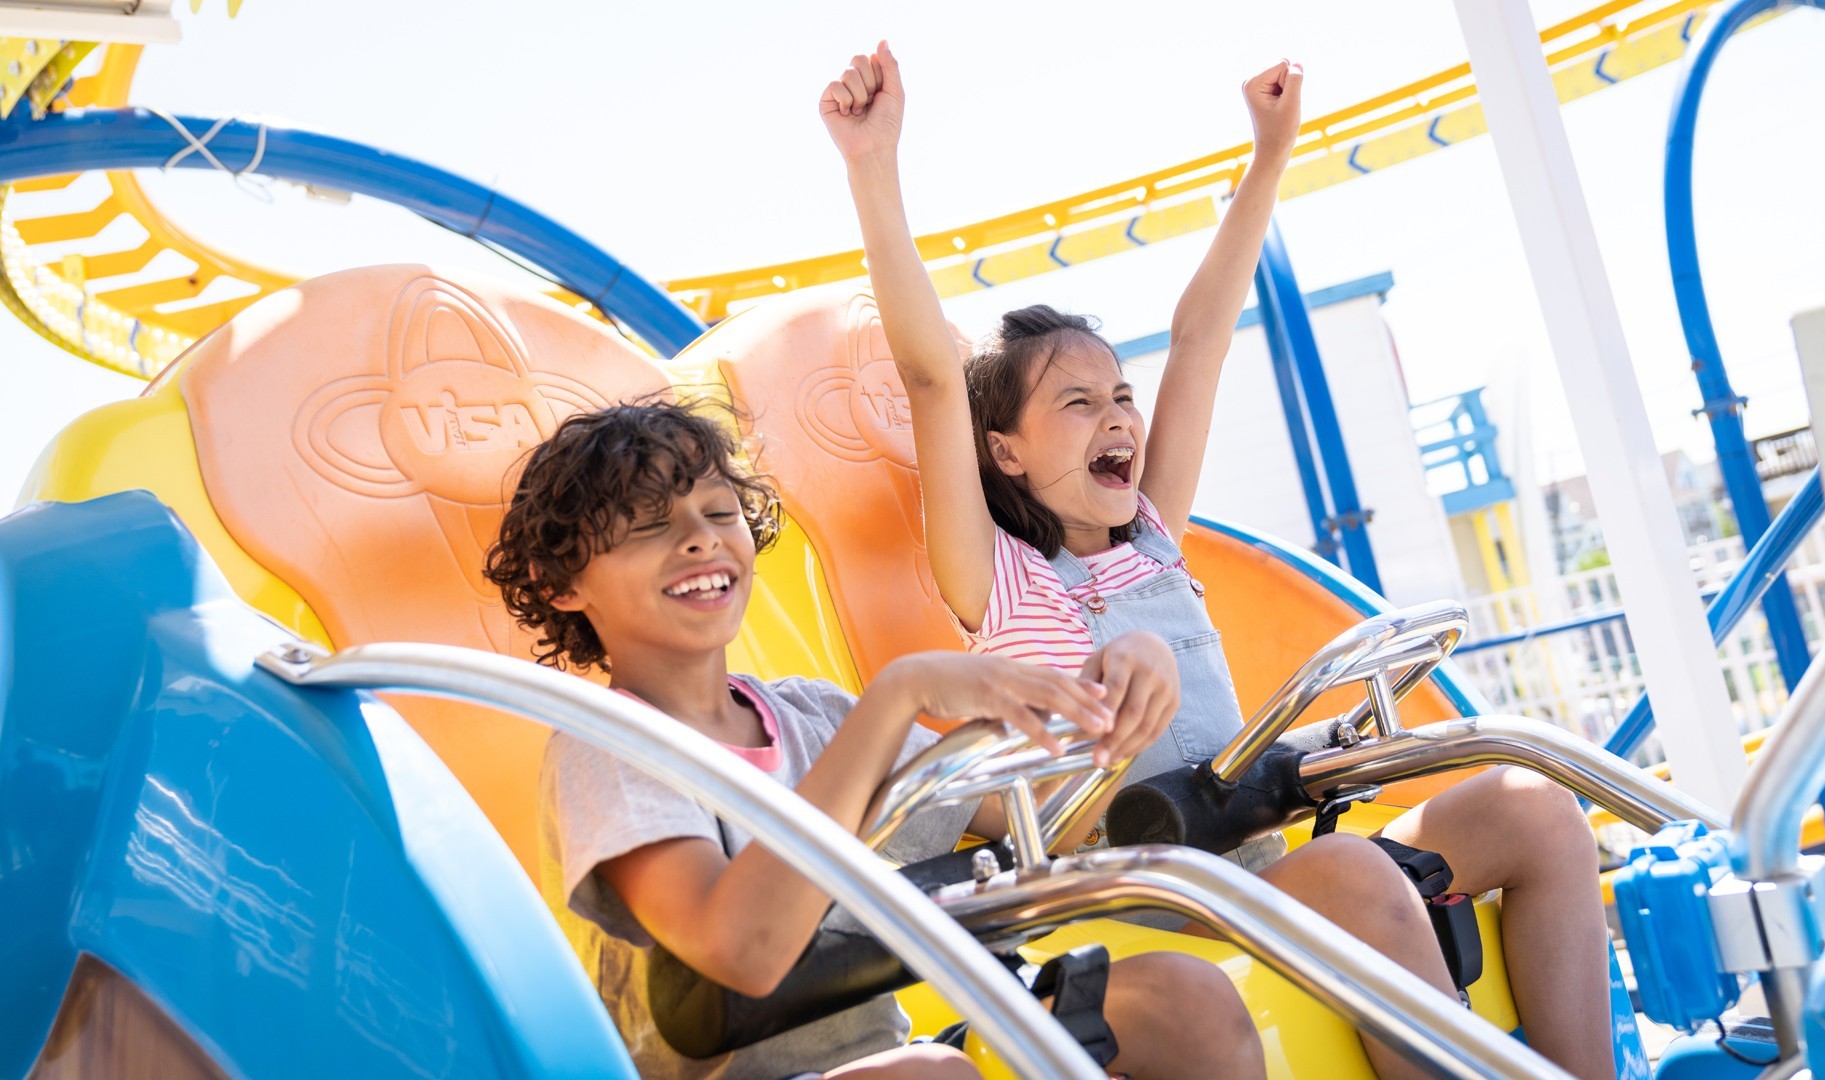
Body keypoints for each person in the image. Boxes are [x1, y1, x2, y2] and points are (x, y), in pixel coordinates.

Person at [823, 43, 1614, 1080]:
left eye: (1119, 397)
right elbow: (932, 376)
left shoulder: (1153, 530)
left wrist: (1269, 157)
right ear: (1004, 450)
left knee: (1533, 806)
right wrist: (873, 165)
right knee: (1354, 873)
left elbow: (1199, 339)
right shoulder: (1001, 581)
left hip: (1256, 853)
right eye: (1076, 402)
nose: (1116, 417)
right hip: (1157, 898)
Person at [484, 400, 1264, 1080]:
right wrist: (899, 695)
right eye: (650, 525)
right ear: (562, 583)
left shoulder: (813, 716)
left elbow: (1046, 818)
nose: (698, 540)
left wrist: (1121, 673)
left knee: (1182, 999)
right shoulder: (608, 749)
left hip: (886, 1056)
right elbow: (745, 951)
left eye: (718, 512)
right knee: (929, 1075)